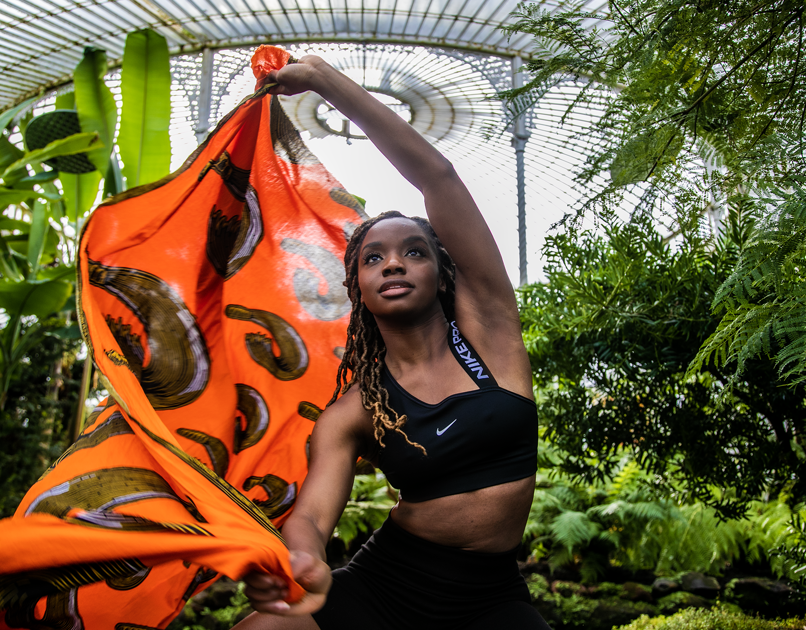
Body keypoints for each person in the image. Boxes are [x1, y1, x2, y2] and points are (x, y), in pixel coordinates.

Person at [233, 54, 551, 630]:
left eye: (413, 251)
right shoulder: (355, 409)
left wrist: (325, 81)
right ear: (357, 285)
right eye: (373, 257)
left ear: (440, 272)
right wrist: (302, 557)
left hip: (490, 598)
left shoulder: (491, 333)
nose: (394, 264)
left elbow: (437, 177)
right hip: (387, 586)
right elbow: (310, 517)